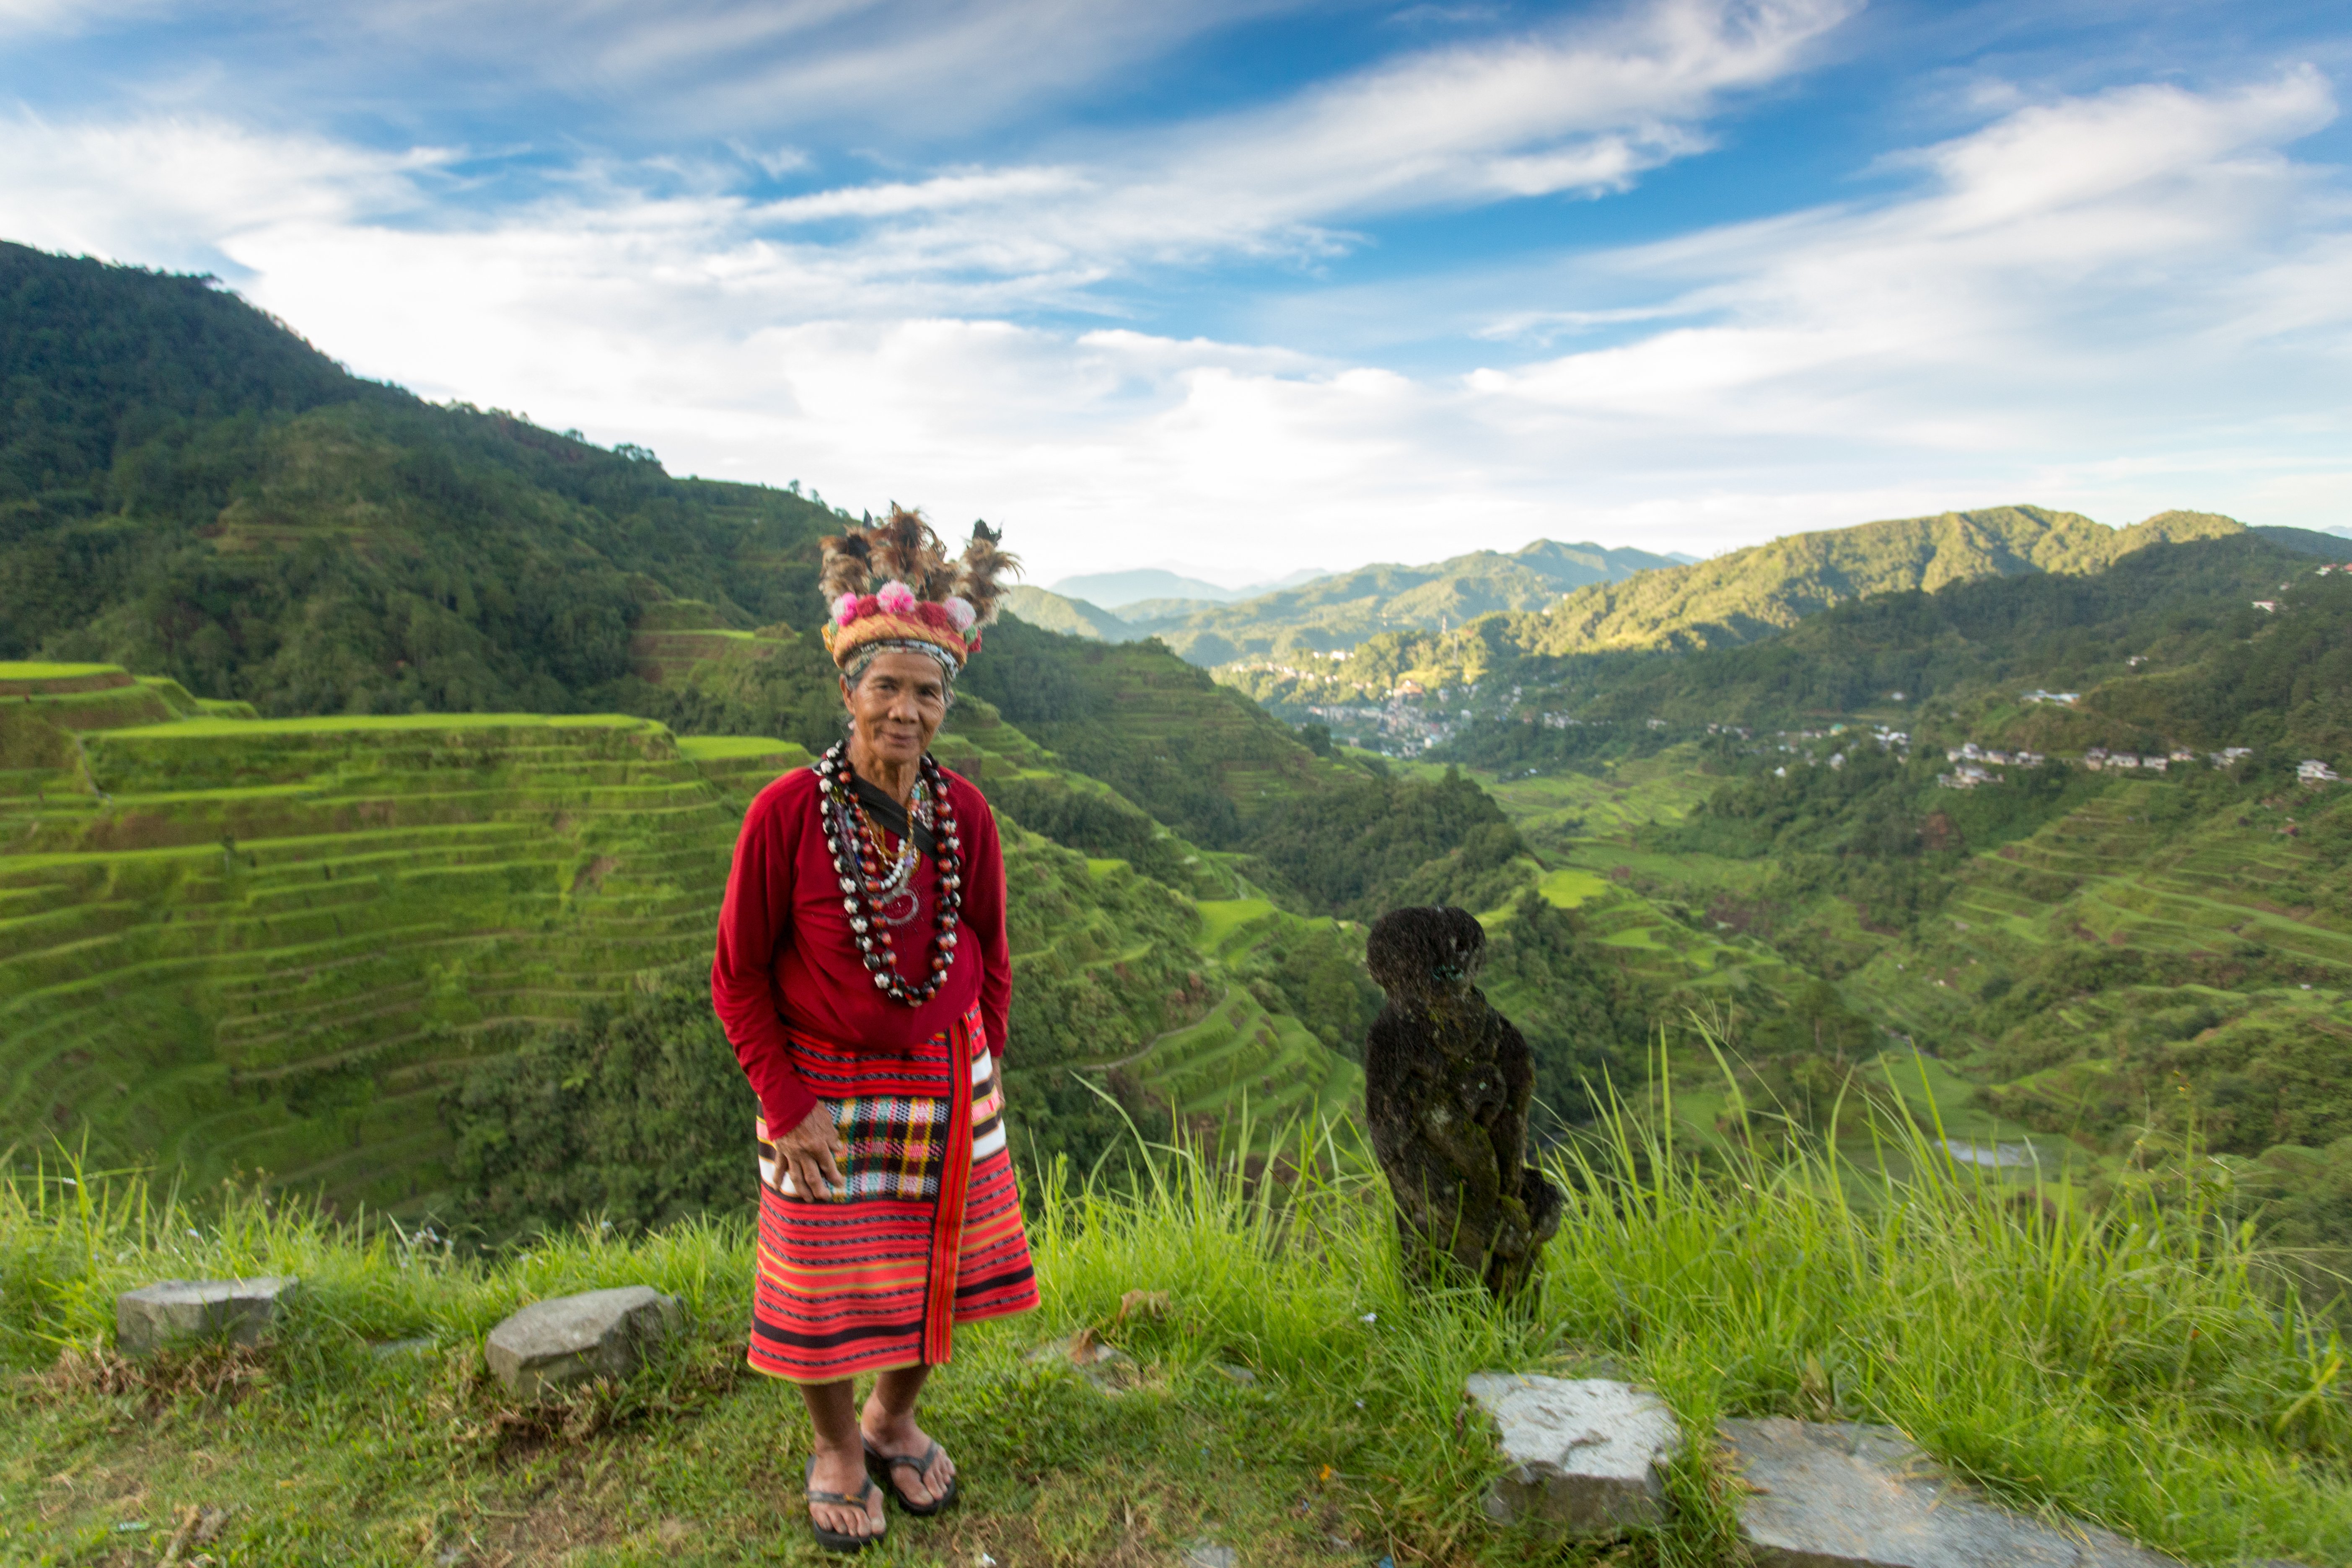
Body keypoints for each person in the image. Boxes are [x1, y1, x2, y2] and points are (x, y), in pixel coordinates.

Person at [711, 508, 1035, 1553]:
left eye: (926, 691)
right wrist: (787, 1102)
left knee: (942, 1263)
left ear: (948, 702)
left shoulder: (967, 815)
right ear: (846, 690)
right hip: (819, 1091)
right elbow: (738, 976)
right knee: (820, 1281)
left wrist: (976, 1064)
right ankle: (839, 1444)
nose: (905, 710)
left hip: (949, 1084)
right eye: (885, 687)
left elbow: (989, 946)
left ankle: (894, 1416)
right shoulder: (784, 816)